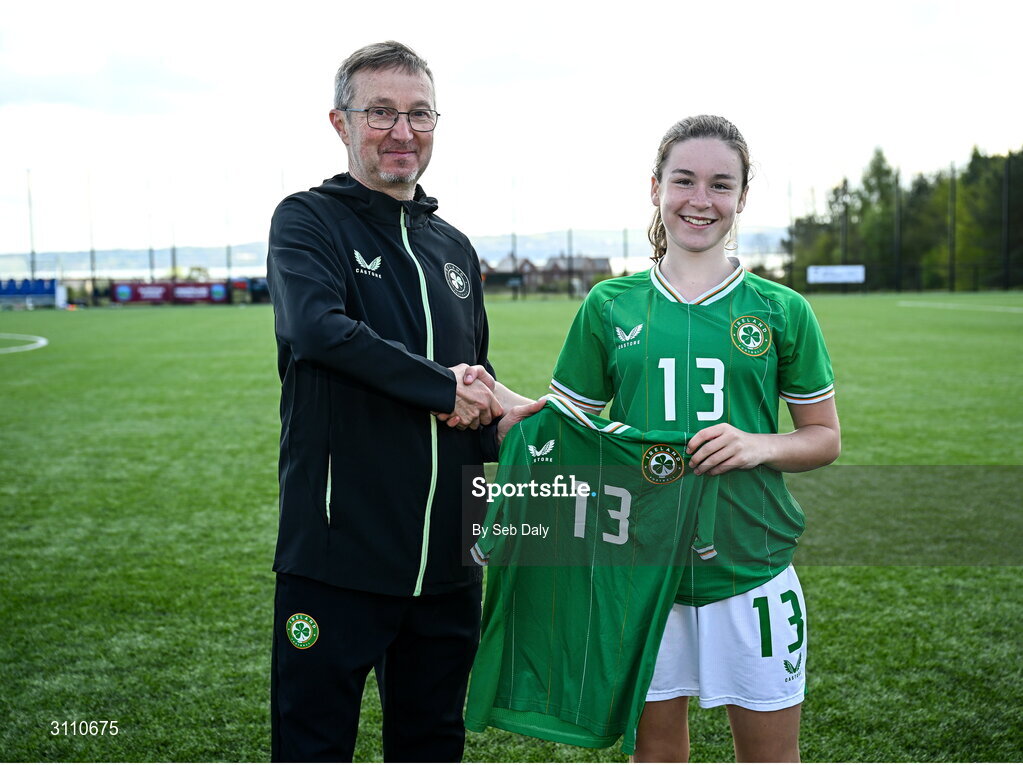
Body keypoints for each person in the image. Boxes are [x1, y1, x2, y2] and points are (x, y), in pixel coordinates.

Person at [265, 40, 538, 762]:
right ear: (340, 121)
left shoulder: (451, 244)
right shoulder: (307, 221)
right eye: (380, 112)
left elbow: (473, 368)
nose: (401, 131)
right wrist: (442, 386)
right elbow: (318, 331)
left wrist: (512, 407)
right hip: (337, 556)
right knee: (312, 744)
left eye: (419, 114)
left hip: (450, 561)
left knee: (431, 743)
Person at [546, 115, 841, 761]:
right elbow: (563, 428)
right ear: (655, 187)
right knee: (656, 757)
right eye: (683, 180)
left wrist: (759, 444)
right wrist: (507, 407)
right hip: (642, 567)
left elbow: (822, 438)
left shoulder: (781, 309)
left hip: (751, 563)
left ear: (740, 197)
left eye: (719, 184)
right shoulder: (608, 304)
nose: (699, 200)